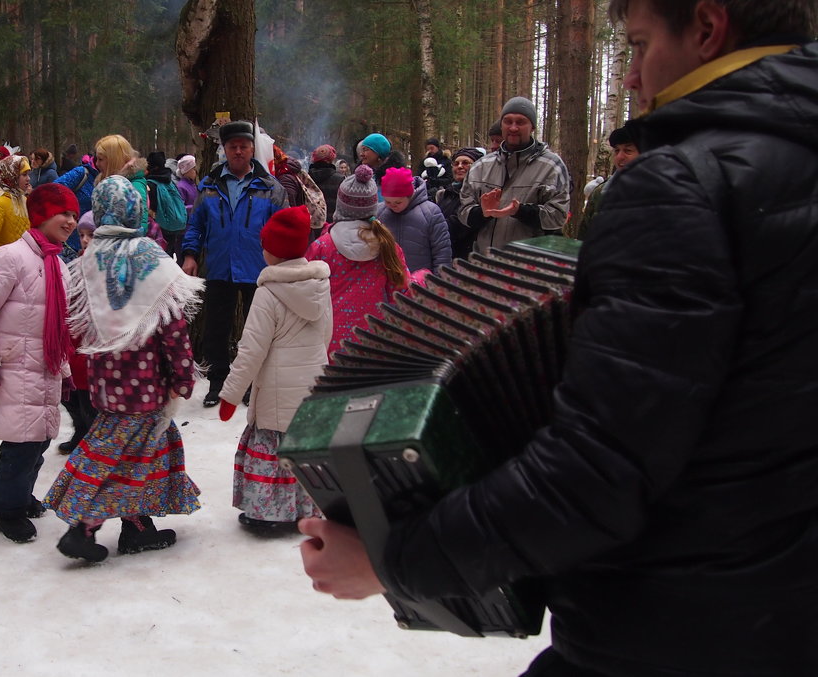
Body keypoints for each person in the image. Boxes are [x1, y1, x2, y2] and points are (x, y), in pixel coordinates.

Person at [299, 1, 818, 675]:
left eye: (637, 46)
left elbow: (598, 472)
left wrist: (391, 555)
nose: (631, 79)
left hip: (673, 619)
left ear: (708, 28)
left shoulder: (680, 186)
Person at [43, 175, 205, 563]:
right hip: (148, 384)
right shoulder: (149, 257)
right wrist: (183, 373)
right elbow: (172, 322)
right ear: (135, 209)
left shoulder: (88, 260)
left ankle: (138, 527)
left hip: (106, 383)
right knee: (113, 454)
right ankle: (82, 526)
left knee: (142, 452)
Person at [0, 183, 79, 543]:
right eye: (64, 213)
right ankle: (6, 509)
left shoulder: (58, 264)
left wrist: (65, 370)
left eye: (75, 215)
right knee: (20, 442)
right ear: (43, 214)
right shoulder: (9, 257)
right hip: (13, 367)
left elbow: (59, 325)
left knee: (41, 438)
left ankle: (20, 495)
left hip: (43, 368)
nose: (71, 222)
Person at [216, 205, 330, 533]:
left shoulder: (268, 294)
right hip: (312, 389)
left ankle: (268, 514)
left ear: (273, 252)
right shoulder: (320, 284)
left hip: (278, 394)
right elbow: (327, 335)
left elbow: (251, 351)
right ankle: (305, 508)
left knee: (273, 451)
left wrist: (230, 394)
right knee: (303, 451)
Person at [181, 120, 287, 406]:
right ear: (225, 150)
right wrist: (190, 254)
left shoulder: (270, 188)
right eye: (232, 147)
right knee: (216, 328)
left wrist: (284, 263)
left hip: (259, 269)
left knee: (257, 329)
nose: (238, 151)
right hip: (219, 267)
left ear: (252, 149)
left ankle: (254, 382)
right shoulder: (210, 186)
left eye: (243, 146)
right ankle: (218, 383)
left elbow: (284, 229)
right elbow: (196, 225)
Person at [304, 165, 409, 357]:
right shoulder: (388, 246)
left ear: (341, 205)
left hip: (327, 340)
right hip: (373, 341)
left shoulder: (322, 246)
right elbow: (403, 295)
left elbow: (305, 294)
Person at [458, 96, 570, 253]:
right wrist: (483, 212)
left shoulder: (551, 167)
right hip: (486, 261)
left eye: (520, 122)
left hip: (530, 266)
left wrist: (520, 211)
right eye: (508, 121)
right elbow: (463, 212)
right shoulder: (481, 167)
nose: (513, 127)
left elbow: (558, 216)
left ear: (532, 127)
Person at [59, 211, 97, 454]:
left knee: (88, 399)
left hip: (93, 342)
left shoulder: (104, 269)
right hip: (73, 340)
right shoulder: (75, 264)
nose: (84, 240)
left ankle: (92, 440)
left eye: (91, 235)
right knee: (69, 395)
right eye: (82, 235)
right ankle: (81, 430)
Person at [376, 167, 451, 272]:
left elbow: (442, 252)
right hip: (389, 280)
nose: (392, 206)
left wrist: (439, 282)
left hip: (421, 282)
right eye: (388, 202)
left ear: (410, 196)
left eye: (398, 202)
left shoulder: (431, 213)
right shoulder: (380, 212)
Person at [577, 124, 640, 240]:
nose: (620, 156)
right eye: (617, 150)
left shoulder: (661, 194)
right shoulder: (600, 193)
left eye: (628, 150)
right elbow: (583, 240)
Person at [435, 147, 485, 259]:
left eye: (466, 163)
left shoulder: (479, 195)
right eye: (456, 163)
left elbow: (458, 226)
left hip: (468, 259)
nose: (460, 166)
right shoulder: (445, 194)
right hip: (445, 256)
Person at [0, 154, 32, 250]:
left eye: (28, 174)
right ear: (11, 175)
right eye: (24, 174)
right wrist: (5, 257)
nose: (28, 178)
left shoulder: (23, 199)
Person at [308, 144, 343, 225]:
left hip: (312, 225)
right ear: (331, 160)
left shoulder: (306, 178)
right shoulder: (340, 179)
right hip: (333, 226)